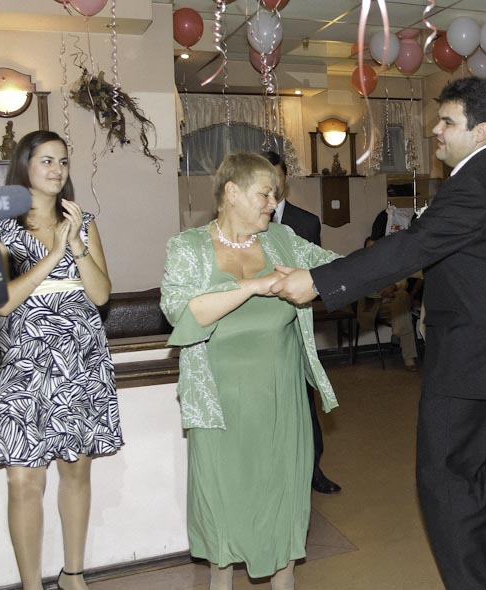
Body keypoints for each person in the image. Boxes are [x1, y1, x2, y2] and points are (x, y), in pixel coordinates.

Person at [271, 78, 486, 590]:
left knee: (447, 482)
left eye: (447, 122)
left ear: (481, 131)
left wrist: (316, 282)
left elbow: (410, 248)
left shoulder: (473, 183)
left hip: (470, 363)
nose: (435, 130)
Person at [160, 152, 340, 590]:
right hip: (218, 406)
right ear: (232, 193)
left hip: (281, 404)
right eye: (265, 194)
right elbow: (182, 312)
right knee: (223, 513)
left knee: (283, 510)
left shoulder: (283, 240)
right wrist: (254, 285)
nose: (273, 203)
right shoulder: (187, 247)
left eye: (275, 195)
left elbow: (338, 269)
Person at [0, 130, 121, 590]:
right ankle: (30, 585)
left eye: (63, 161)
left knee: (76, 469)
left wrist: (75, 243)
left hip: (80, 359)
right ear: (25, 165)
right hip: (24, 364)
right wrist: (52, 255)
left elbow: (101, 294)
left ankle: (72, 574)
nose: (57, 170)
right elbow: (2, 303)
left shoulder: (84, 220)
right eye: (46, 160)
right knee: (24, 481)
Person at [261, 150, 342, 494]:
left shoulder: (305, 222)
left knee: (305, 402)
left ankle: (313, 469)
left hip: (296, 323)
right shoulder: (243, 226)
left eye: (276, 177)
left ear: (285, 179)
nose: (271, 186)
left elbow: (319, 271)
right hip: (261, 327)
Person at [356, 236, 420, 371]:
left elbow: (403, 282)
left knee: (402, 298)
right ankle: (408, 357)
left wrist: (394, 286)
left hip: (393, 304)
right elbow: (362, 291)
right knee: (404, 312)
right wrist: (382, 292)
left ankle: (397, 333)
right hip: (373, 308)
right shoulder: (361, 267)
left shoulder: (389, 264)